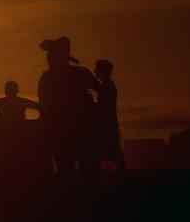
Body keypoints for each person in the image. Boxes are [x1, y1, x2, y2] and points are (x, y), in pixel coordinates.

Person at [37, 37, 101, 178]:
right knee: (73, 161)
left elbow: (44, 103)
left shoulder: (48, 77)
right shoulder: (80, 73)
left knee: (71, 161)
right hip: (70, 125)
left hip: (70, 125)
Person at [93, 59, 126, 172]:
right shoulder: (107, 86)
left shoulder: (107, 87)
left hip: (106, 127)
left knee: (106, 153)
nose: (95, 71)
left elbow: (103, 107)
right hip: (108, 126)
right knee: (111, 154)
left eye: (97, 69)